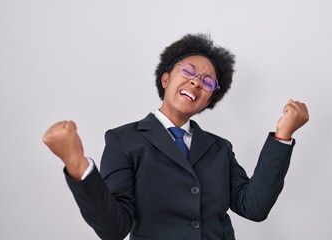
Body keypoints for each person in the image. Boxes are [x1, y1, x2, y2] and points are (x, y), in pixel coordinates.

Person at [43, 33, 309, 240]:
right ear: (166, 78)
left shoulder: (219, 148)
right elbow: (114, 228)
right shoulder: (124, 140)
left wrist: (282, 136)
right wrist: (78, 166)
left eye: (207, 83)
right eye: (190, 71)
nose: (196, 82)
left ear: (208, 101)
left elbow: (253, 207)